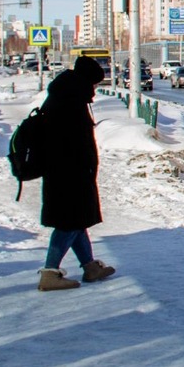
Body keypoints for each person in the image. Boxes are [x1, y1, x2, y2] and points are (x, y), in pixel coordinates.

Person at [36, 55, 117, 291]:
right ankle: (50, 273)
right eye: (94, 85)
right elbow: (72, 141)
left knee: (76, 220)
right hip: (69, 173)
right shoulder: (71, 101)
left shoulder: (64, 94)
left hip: (67, 171)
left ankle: (90, 267)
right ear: (87, 81)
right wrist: (84, 168)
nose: (94, 90)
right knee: (69, 222)